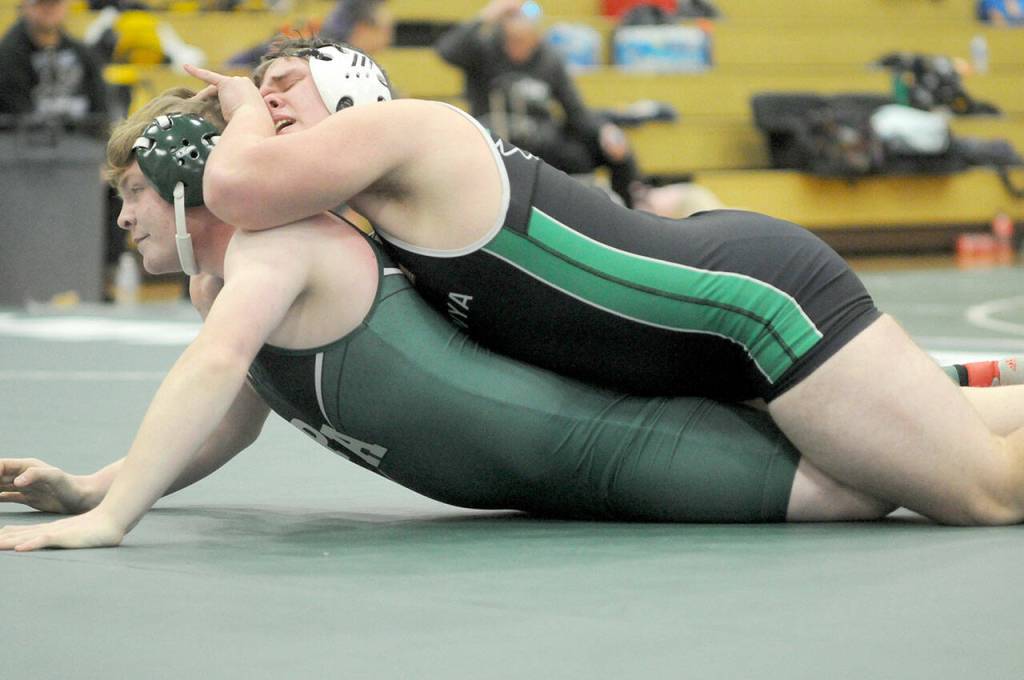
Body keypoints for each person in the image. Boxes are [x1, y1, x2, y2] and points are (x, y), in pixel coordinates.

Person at [171, 38, 1024, 528]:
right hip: (715, 341)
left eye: (286, 88)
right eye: (265, 99)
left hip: (759, 307)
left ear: (348, 84)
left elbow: (237, 187)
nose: (269, 108)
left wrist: (243, 110)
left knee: (983, 495)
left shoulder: (404, 132)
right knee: (936, 432)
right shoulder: (375, 214)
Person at [0, 89, 893, 552]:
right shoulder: (230, 280)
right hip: (567, 470)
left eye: (134, 196)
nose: (123, 221)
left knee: (862, 488)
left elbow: (208, 371)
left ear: (191, 182)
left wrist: (113, 517)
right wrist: (93, 484)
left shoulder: (278, 250)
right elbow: (226, 420)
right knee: (866, 454)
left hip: (612, 452)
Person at [436, 0, 643, 207]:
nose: (520, 23)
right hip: (496, 142)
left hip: (543, 144)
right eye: (513, 17)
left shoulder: (549, 58)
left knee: (613, 147)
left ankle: (629, 217)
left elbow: (575, 111)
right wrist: (491, 12)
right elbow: (447, 51)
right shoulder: (483, 50)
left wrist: (603, 130)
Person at [0, 0, 109, 134]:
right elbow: (14, 110)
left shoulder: (83, 53)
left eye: (54, 4)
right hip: (24, 144)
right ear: (24, 6)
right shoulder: (7, 54)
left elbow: (100, 107)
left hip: (81, 142)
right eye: (40, 4)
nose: (48, 9)